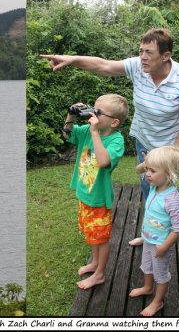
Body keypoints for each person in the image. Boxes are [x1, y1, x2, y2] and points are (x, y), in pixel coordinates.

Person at [41, 28, 179, 246]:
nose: (142, 56)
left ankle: (166, 236)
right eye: (140, 50)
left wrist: (174, 150)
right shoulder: (137, 66)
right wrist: (71, 59)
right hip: (144, 140)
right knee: (147, 186)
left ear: (165, 56)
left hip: (169, 145)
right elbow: (102, 65)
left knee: (165, 191)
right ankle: (150, 233)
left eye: (149, 52)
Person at [63, 94, 128, 290]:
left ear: (114, 122)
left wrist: (94, 133)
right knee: (91, 235)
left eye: (98, 112)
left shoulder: (116, 140)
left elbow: (103, 161)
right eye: (93, 108)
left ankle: (100, 274)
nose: (92, 113)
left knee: (101, 238)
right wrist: (70, 115)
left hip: (99, 199)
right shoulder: (86, 131)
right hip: (85, 194)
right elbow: (66, 135)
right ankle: (93, 263)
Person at [129, 145, 179, 316]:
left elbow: (178, 228)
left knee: (161, 274)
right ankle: (148, 288)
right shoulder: (155, 185)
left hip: (161, 244)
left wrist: (164, 247)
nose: (147, 174)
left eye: (152, 171)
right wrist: (148, 162)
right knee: (146, 266)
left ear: (169, 174)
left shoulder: (172, 199)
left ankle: (158, 302)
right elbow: (137, 170)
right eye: (147, 169)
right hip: (148, 239)